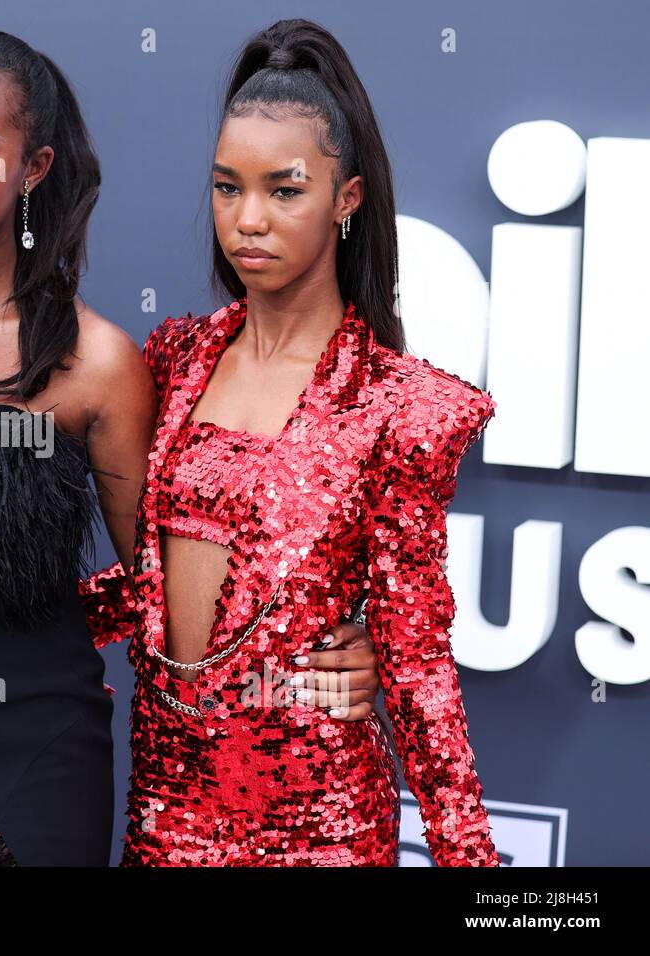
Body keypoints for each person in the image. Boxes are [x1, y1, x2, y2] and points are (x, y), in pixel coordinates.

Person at [0, 29, 381, 867]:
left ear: (35, 169)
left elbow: (159, 589)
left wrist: (342, 642)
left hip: (31, 758)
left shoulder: (97, 364)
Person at [118, 19, 500, 866]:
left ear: (347, 198)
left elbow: (417, 666)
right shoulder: (172, 361)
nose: (247, 220)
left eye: (283, 190)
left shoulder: (401, 407)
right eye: (227, 188)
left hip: (316, 830)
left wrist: (476, 868)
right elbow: (155, 581)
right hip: (161, 814)